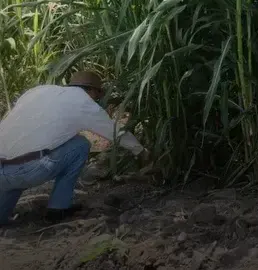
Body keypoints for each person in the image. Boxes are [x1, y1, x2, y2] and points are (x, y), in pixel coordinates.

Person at [0, 70, 148, 226]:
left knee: (15, 161)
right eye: (98, 95)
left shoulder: (38, 91)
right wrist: (140, 150)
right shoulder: (84, 103)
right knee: (80, 145)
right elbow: (115, 132)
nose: (97, 100)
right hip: (28, 170)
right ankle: (58, 209)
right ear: (92, 90)